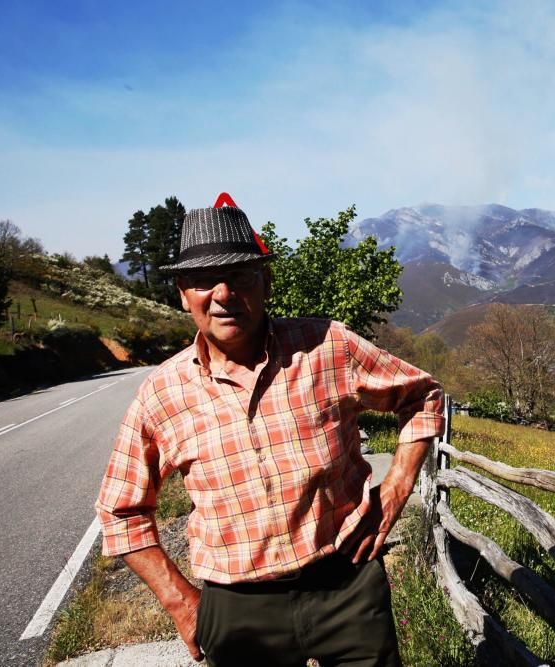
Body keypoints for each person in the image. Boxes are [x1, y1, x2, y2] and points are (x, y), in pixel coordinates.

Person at [96, 195, 444, 666]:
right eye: (203, 280)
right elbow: (121, 512)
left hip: (346, 586)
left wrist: (397, 488)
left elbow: (422, 395)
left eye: (240, 275)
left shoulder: (327, 347)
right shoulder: (162, 393)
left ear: (265, 281)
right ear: (182, 293)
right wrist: (179, 600)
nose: (222, 293)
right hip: (239, 610)